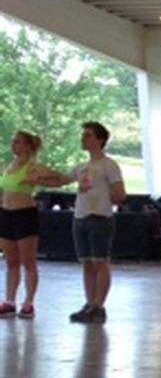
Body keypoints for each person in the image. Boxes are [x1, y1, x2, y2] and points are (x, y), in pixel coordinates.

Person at [61, 121, 126, 323]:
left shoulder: (109, 165)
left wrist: (108, 198)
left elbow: (120, 193)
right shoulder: (82, 167)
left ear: (100, 140)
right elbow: (62, 179)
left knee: (100, 261)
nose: (83, 138)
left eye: (88, 135)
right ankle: (90, 303)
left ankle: (99, 304)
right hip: (80, 217)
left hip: (99, 217)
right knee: (87, 263)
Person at [0, 131, 63, 318]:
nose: (14, 145)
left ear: (28, 146)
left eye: (18, 142)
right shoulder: (9, 167)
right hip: (6, 214)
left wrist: (39, 181)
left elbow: (59, 179)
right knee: (11, 261)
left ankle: (28, 302)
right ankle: (9, 301)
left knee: (28, 261)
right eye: (13, 142)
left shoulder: (33, 167)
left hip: (25, 215)